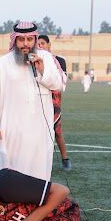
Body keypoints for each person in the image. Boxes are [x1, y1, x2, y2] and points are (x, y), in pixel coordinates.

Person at [0, 21, 64, 181]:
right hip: (12, 128)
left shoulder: (46, 58)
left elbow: (58, 84)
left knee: (39, 171)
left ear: (35, 39)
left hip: (40, 129)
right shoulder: (3, 63)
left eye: (30, 39)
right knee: (11, 170)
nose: (25, 44)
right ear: (15, 40)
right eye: (21, 39)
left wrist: (42, 68)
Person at [37, 35, 71, 172]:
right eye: (38, 44)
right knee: (38, 132)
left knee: (57, 132)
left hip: (54, 101)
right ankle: (39, 160)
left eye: (43, 43)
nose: (40, 46)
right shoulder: (33, 59)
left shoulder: (59, 60)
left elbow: (61, 81)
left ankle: (65, 159)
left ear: (49, 45)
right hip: (38, 101)